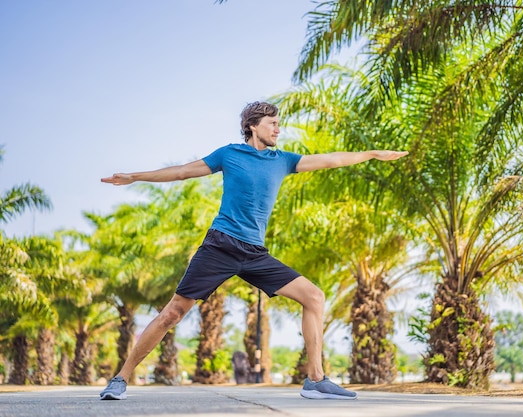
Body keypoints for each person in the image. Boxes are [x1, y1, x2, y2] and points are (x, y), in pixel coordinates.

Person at [99, 101, 408, 401]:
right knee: (173, 313)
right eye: (272, 123)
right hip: (220, 245)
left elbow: (329, 159)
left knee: (314, 296)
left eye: (278, 123)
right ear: (252, 126)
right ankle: (121, 378)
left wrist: (370, 154)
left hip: (255, 253)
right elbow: (182, 172)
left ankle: (315, 380)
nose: (278, 128)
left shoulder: (283, 160)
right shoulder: (230, 154)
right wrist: (134, 176)